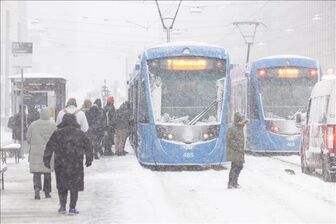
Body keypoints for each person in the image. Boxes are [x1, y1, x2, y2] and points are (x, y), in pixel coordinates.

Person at [44, 113, 93, 215]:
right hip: (75, 163)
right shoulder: (80, 133)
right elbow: (88, 146)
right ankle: (72, 207)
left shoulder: (57, 133)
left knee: (62, 185)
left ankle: (62, 206)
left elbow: (49, 146)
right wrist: (89, 159)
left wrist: (46, 159)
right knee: (74, 186)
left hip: (61, 163)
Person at [26, 107, 56, 199]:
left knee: (37, 172)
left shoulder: (33, 124)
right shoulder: (53, 125)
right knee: (47, 172)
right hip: (48, 152)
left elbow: (28, 138)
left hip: (36, 152)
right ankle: (47, 192)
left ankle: (37, 189)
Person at [226, 112, 248, 189]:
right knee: (235, 166)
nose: (243, 122)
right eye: (241, 120)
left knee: (239, 166)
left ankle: (234, 182)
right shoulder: (232, 128)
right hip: (234, 151)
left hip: (239, 151)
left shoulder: (240, 127)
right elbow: (229, 139)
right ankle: (231, 183)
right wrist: (236, 146)